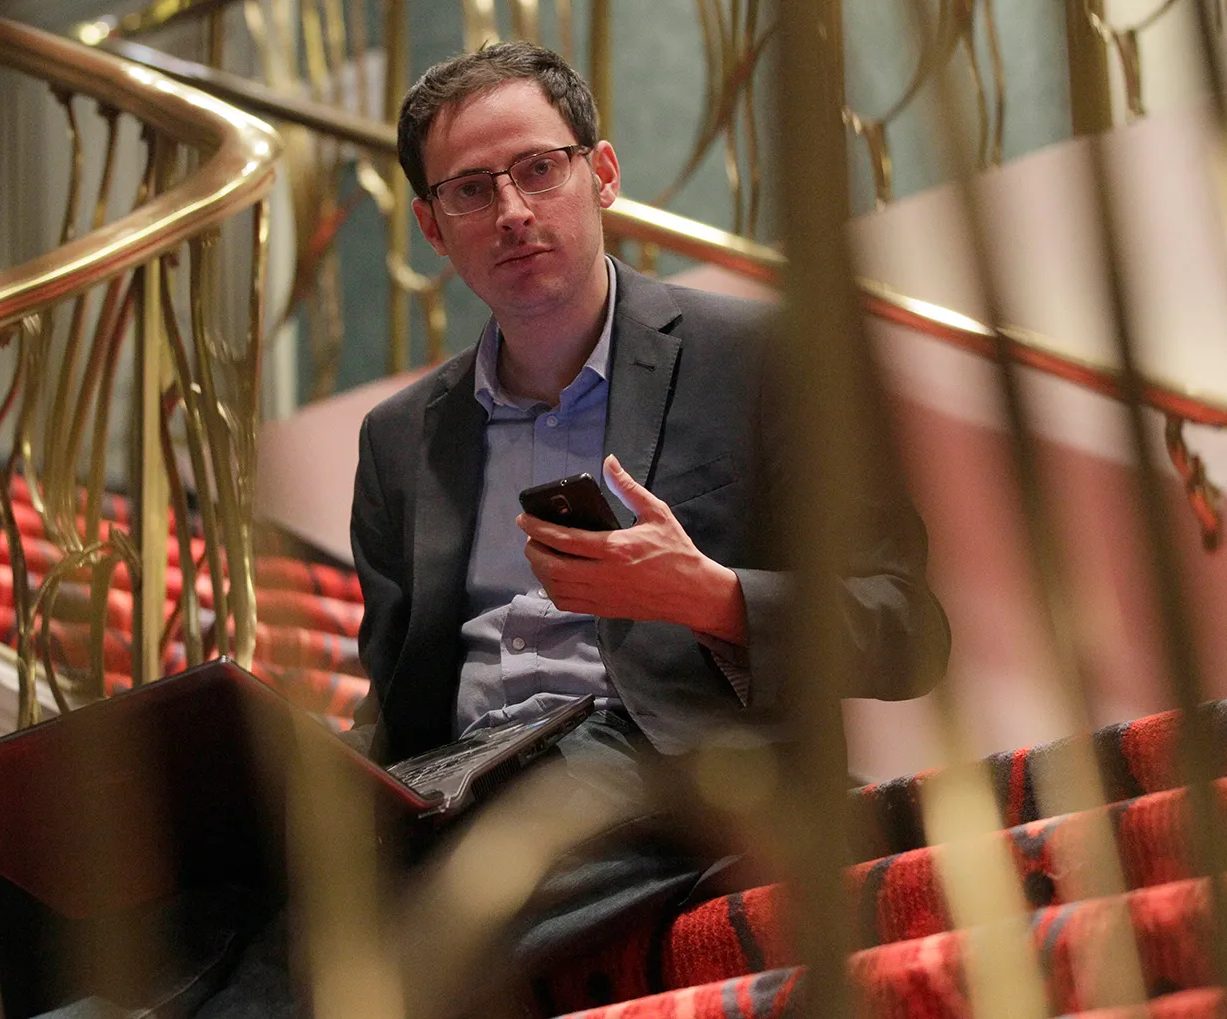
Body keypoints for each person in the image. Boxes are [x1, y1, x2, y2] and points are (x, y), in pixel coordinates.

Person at [208, 39, 950, 1019]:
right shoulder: (401, 441)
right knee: (187, 895)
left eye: (537, 169)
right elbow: (402, 699)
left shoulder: (761, 360)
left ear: (600, 174)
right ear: (431, 226)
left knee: (362, 948)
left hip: (663, 774)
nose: (512, 210)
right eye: (471, 191)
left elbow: (907, 627)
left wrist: (708, 594)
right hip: (458, 778)